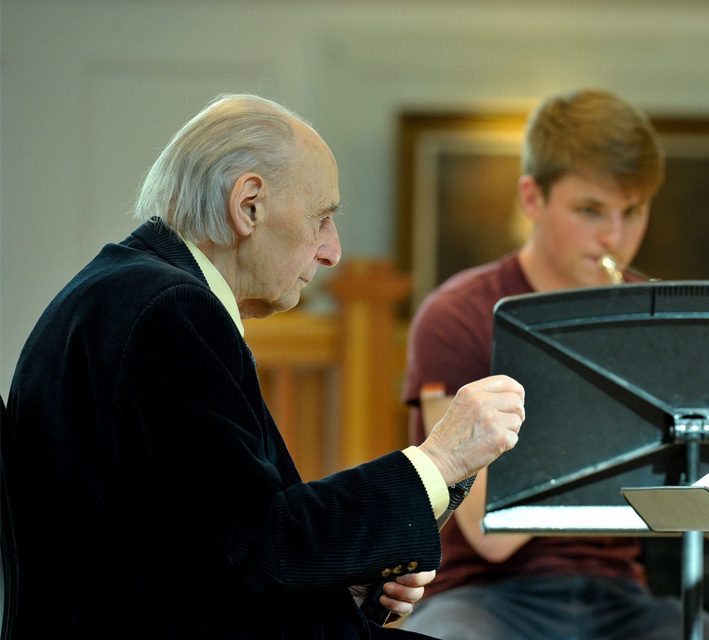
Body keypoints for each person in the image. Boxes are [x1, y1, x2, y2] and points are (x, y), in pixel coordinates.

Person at [4, 94, 526, 638]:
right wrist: (439, 459)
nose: (333, 252)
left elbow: (216, 548)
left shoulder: (130, 290)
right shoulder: (169, 311)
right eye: (322, 218)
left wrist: (344, 580)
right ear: (248, 204)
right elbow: (257, 551)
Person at [401, 89, 709, 640]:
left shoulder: (651, 311)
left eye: (634, 211)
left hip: (621, 596)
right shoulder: (457, 314)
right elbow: (488, 533)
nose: (614, 238)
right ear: (532, 197)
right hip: (483, 597)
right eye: (590, 210)